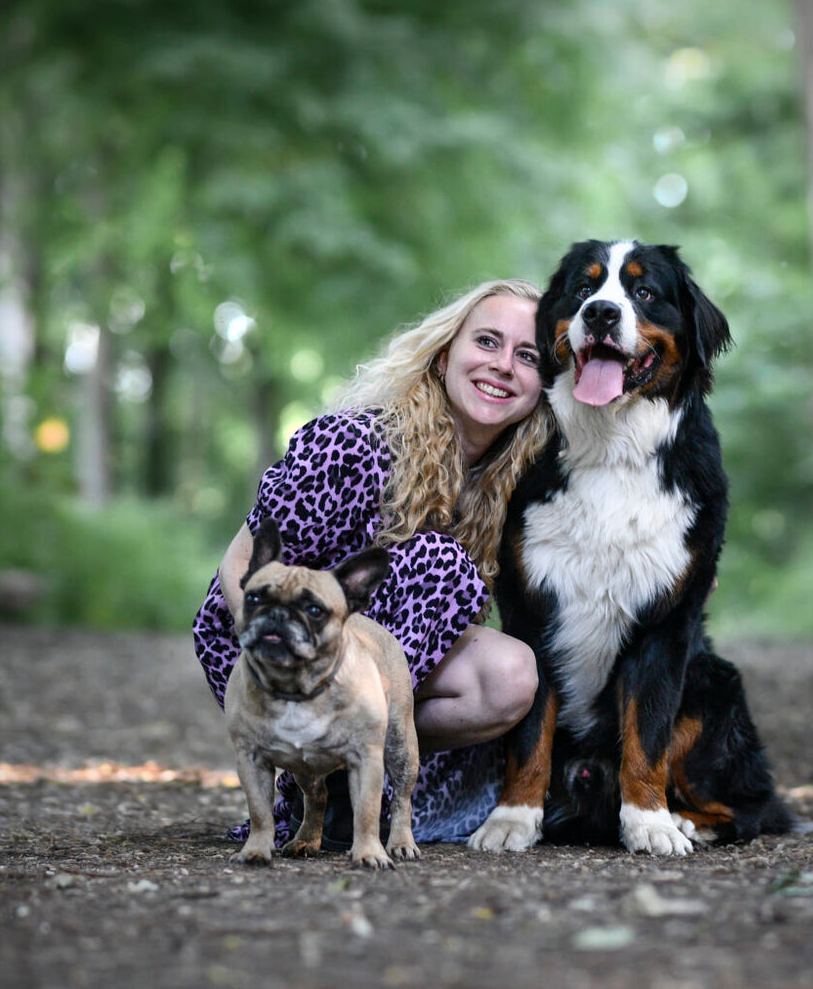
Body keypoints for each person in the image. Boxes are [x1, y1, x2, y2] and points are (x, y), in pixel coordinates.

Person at [191, 279, 552, 845]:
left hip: (376, 667)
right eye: (487, 341)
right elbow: (240, 562)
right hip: (269, 642)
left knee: (510, 677)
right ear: (443, 356)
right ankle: (316, 777)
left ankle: (348, 778)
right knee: (440, 564)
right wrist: (263, 667)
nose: (503, 365)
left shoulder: (512, 482)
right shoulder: (355, 444)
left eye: (528, 356)